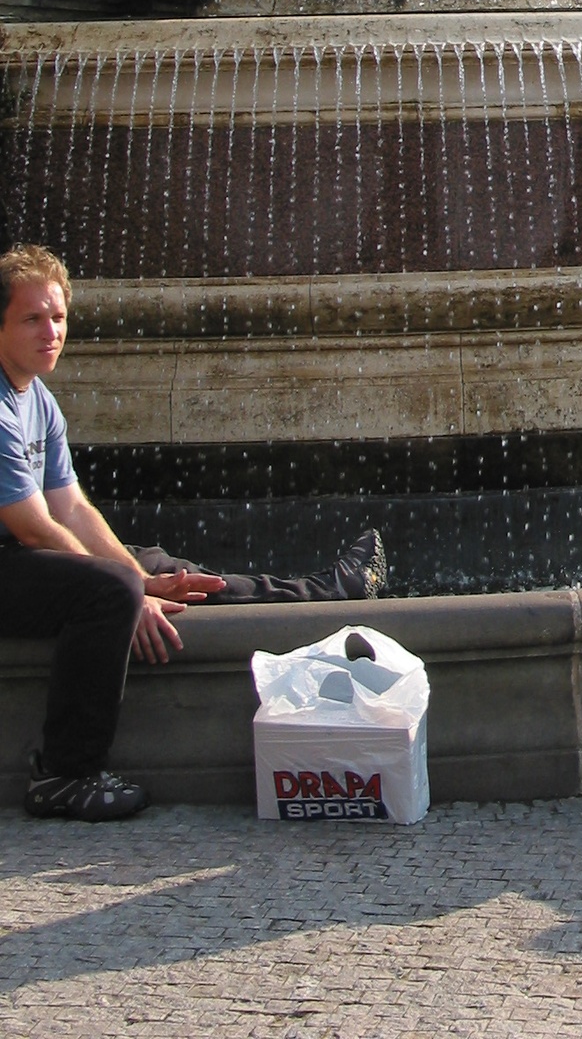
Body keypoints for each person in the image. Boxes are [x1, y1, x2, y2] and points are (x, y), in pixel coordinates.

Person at [0, 245, 387, 822]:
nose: (50, 332)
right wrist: (127, 589)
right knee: (114, 590)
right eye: (32, 318)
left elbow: (73, 509)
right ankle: (63, 774)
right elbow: (32, 528)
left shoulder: (39, 399)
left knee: (168, 573)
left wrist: (143, 579)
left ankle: (328, 591)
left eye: (57, 317)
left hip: (26, 559)